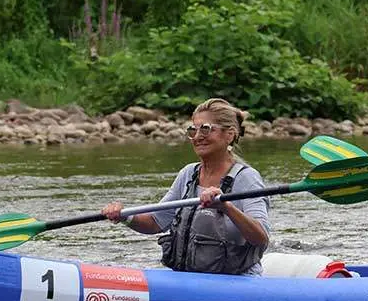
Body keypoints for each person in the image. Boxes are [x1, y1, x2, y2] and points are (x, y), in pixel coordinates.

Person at [102, 98, 271, 275]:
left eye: (206, 129)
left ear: (229, 135)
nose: (197, 136)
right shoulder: (188, 174)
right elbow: (155, 222)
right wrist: (125, 216)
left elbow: (261, 238)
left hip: (236, 279)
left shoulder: (247, 178)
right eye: (193, 130)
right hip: (189, 278)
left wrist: (226, 207)